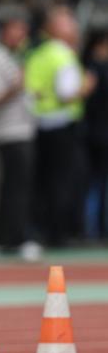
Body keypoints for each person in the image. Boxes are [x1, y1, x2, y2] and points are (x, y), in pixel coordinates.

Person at [25, 6, 95, 247]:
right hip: (63, 124)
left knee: (44, 181)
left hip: (40, 125)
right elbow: (67, 94)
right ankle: (60, 234)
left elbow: (32, 90)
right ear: (54, 28)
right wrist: (86, 87)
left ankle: (42, 231)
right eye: (68, 22)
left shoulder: (38, 53)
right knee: (64, 181)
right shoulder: (62, 54)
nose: (74, 26)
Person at [0, 17, 40, 260]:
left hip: (21, 129)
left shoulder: (13, 56)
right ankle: (15, 239)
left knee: (13, 186)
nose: (23, 35)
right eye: (18, 29)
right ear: (5, 31)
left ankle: (4, 238)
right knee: (17, 187)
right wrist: (18, 86)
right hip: (10, 132)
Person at [81, 33, 108, 238]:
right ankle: (93, 229)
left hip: (95, 132)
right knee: (96, 183)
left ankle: (94, 228)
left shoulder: (90, 68)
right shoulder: (93, 69)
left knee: (96, 183)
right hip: (98, 133)